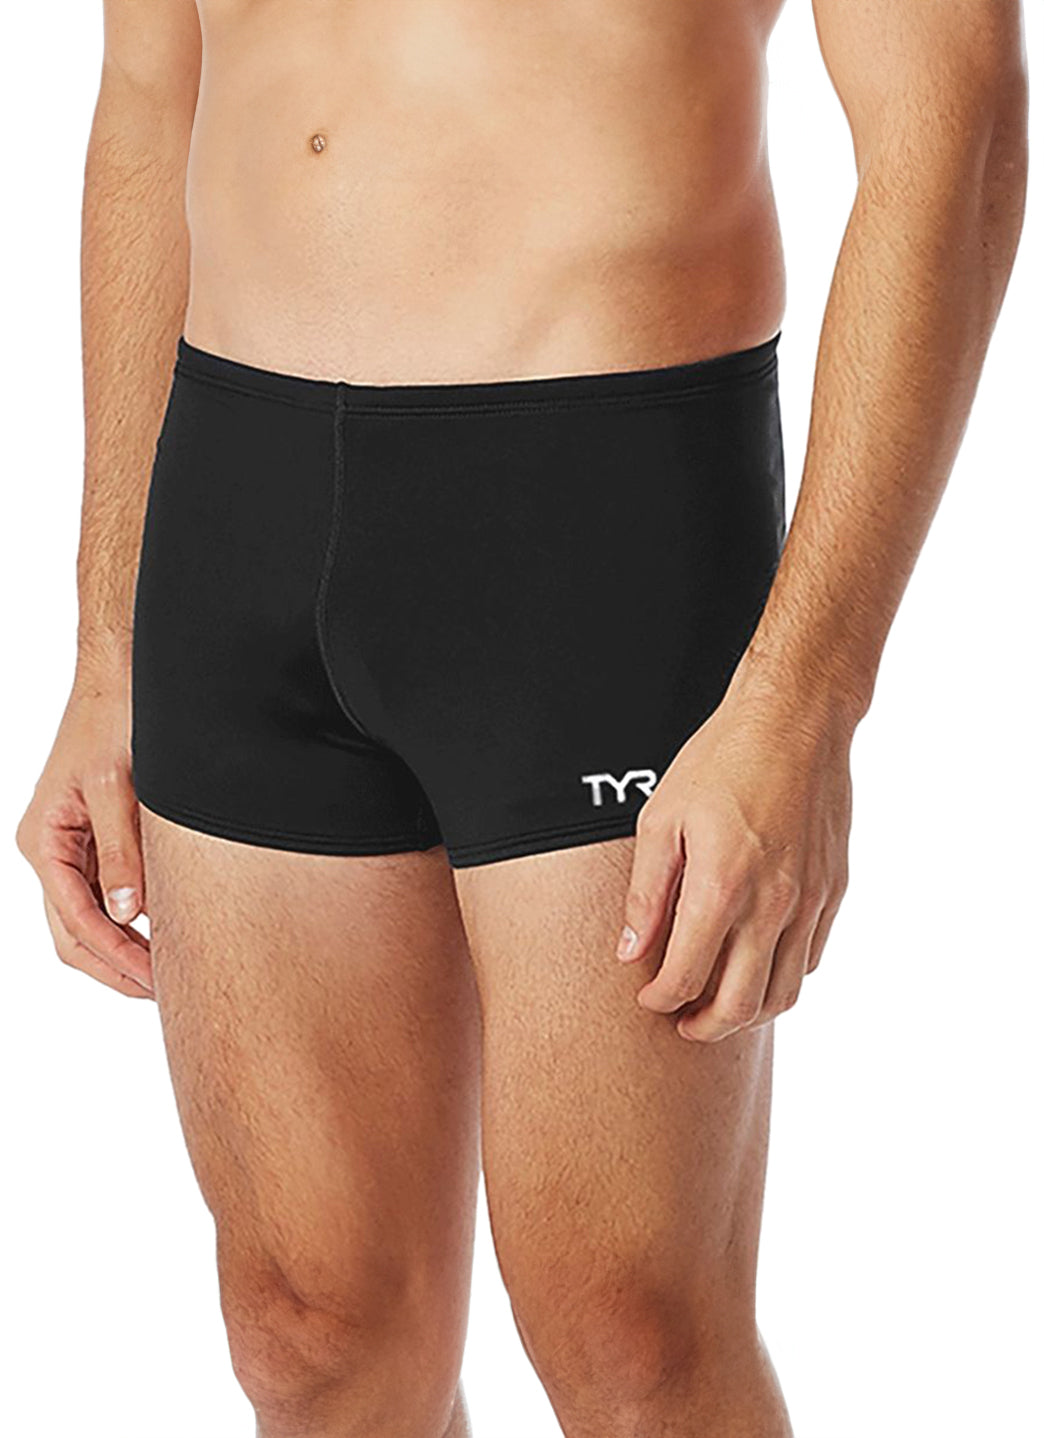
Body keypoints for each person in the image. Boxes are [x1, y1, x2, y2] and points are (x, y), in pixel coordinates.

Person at [17, 1, 1028, 1435]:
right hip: (239, 500)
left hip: (597, 514)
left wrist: (805, 700)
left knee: (633, 1339)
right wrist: (108, 646)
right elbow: (145, 96)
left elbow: (953, 131)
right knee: (308, 1329)